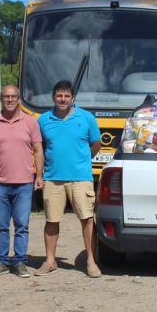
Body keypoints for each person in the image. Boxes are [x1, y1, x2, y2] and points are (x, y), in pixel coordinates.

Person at [35, 80, 102, 278]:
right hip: (52, 178)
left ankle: (91, 260)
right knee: (51, 220)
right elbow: (39, 148)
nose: (62, 99)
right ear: (53, 97)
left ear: (72, 98)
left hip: (80, 178)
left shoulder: (87, 118)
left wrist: (81, 159)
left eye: (66, 96)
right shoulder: (43, 120)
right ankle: (50, 261)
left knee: (87, 219)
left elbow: (96, 144)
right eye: (59, 96)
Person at [0, 84, 44, 278]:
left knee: (21, 225)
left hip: (24, 183)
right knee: (0, 225)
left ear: (19, 99)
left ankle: (19, 262)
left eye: (13, 97)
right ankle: (1, 261)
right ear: (1, 99)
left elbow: (38, 150)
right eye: (6, 97)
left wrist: (39, 176)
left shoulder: (30, 122)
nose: (9, 100)